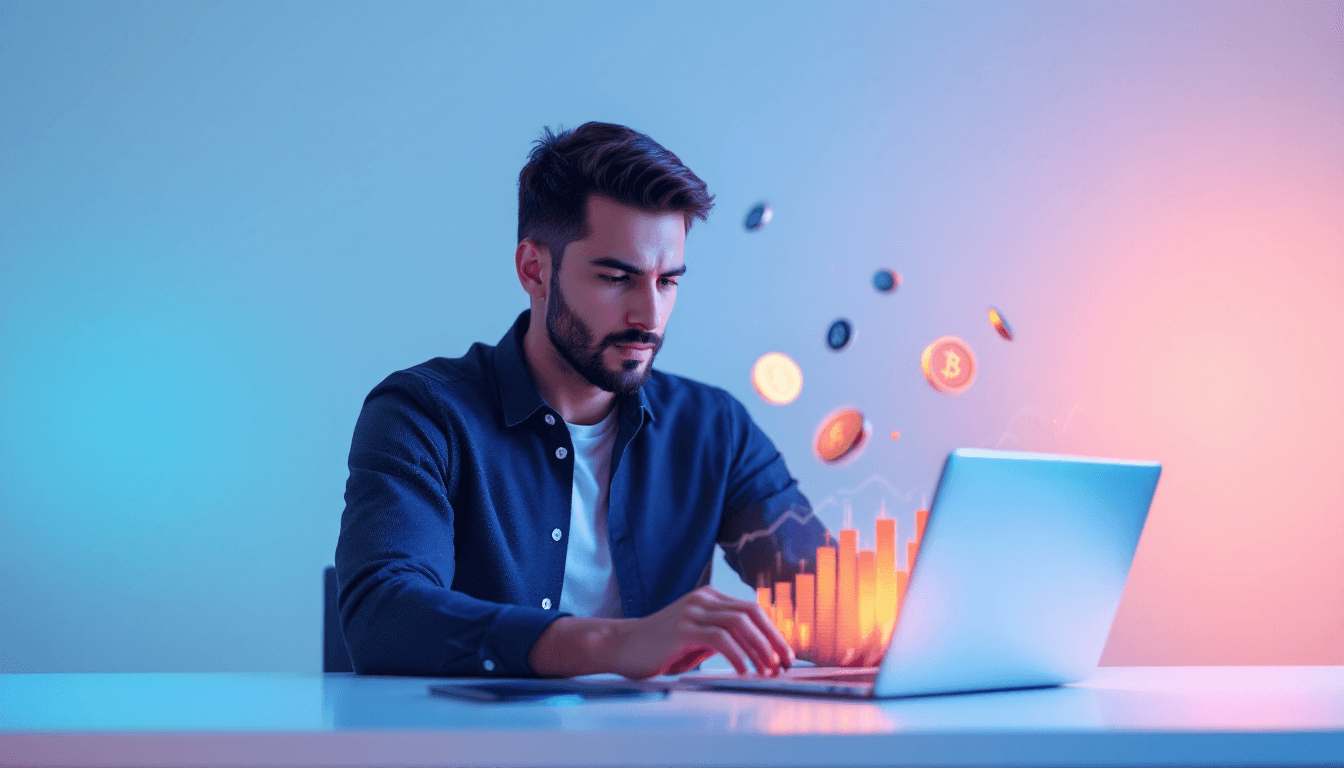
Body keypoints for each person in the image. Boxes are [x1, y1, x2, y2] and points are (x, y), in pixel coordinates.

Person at [335, 122, 829, 679]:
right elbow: (381, 614)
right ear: (534, 270)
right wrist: (614, 645)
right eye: (618, 278)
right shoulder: (423, 414)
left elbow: (827, 597)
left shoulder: (714, 429)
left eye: (668, 281)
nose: (650, 316)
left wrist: (908, 627)